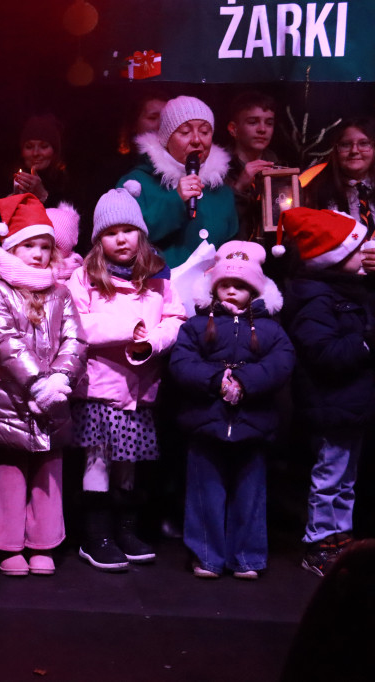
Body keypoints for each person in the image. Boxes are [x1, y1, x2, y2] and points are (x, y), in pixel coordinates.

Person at [67, 182, 186, 572]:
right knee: (98, 462)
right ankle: (96, 536)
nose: (121, 239)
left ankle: (126, 530)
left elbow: (175, 318)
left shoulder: (158, 276)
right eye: (111, 232)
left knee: (128, 464)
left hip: (139, 389)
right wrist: (127, 329)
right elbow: (76, 324)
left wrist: (153, 340)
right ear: (99, 240)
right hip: (100, 388)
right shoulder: (84, 276)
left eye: (128, 230)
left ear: (141, 234)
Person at [169, 241, 295, 579]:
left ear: (254, 289)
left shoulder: (271, 328)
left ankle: (247, 558)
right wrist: (216, 380)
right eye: (225, 283)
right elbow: (182, 362)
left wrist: (244, 381)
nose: (231, 290)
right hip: (206, 422)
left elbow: (281, 363)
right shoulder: (196, 325)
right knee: (204, 494)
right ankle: (207, 556)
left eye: (240, 284)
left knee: (250, 495)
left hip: (253, 423)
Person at [0, 194, 86, 576]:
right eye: (29, 246)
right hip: (9, 399)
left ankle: (43, 543)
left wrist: (59, 379)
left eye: (44, 246)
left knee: (48, 471)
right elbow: (3, 341)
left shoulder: (60, 292)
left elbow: (75, 340)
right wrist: (37, 383)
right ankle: (8, 544)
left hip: (53, 400)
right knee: (9, 473)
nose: (38, 254)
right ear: (11, 247)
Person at [275, 207, 375, 577]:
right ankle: (318, 544)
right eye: (357, 248)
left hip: (352, 403)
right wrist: (367, 340)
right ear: (334, 257)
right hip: (331, 403)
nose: (366, 253)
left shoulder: (351, 290)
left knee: (346, 480)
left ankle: (341, 539)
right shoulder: (315, 299)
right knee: (329, 478)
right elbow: (325, 354)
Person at [118, 95, 238, 267]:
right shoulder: (137, 183)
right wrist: (176, 199)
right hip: (156, 282)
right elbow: (121, 240)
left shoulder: (222, 191)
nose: (196, 140)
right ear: (165, 139)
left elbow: (232, 247)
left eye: (205, 132)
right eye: (185, 132)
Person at [303, 117, 375, 232]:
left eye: (363, 143)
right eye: (346, 145)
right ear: (336, 150)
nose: (354, 151)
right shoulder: (315, 193)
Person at [224, 91, 279, 239]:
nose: (262, 129)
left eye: (269, 123)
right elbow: (217, 224)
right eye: (253, 122)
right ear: (233, 129)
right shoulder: (218, 171)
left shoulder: (281, 171)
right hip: (231, 251)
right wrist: (239, 187)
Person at [11, 114, 72, 209]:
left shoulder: (67, 185)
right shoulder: (8, 183)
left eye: (44, 146)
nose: (35, 153)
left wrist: (43, 195)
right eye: (29, 147)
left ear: (54, 152)